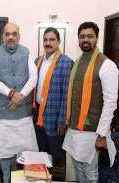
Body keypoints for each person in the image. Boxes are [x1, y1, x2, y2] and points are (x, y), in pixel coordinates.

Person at [62, 22, 119, 183]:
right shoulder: (79, 61)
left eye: (90, 36)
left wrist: (101, 135)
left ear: (97, 38)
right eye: (82, 36)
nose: (85, 39)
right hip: (75, 128)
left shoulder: (107, 65)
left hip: (92, 130)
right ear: (78, 38)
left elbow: (110, 103)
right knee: (77, 165)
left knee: (90, 171)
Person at [0, 23, 38, 183]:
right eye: (7, 34)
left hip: (22, 114)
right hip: (2, 115)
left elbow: (33, 77)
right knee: (4, 153)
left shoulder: (27, 52)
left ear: (19, 36)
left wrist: (20, 96)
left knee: (23, 152)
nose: (10, 37)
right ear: (3, 36)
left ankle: (20, 180)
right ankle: (5, 179)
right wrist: (11, 93)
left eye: (14, 34)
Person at [33, 27, 73, 180]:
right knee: (42, 152)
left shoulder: (66, 63)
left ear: (58, 41)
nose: (48, 43)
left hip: (56, 117)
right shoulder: (38, 61)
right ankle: (43, 177)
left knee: (57, 154)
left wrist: (63, 120)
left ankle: (58, 179)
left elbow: (67, 95)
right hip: (38, 114)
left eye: (52, 40)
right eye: (45, 40)